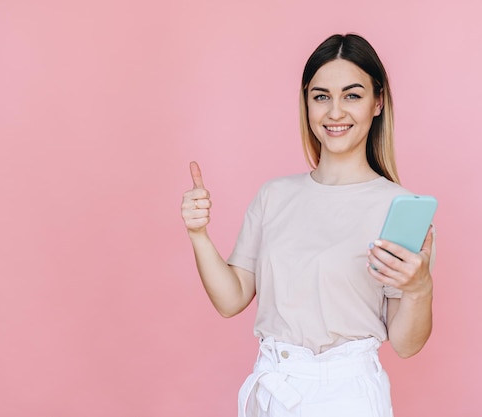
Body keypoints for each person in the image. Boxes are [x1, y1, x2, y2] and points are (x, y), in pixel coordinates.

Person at [181, 33, 435, 417]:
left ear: (377, 102)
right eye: (321, 96)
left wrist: (419, 289)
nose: (335, 112)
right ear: (307, 103)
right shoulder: (274, 196)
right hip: (275, 387)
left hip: (348, 397)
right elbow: (231, 299)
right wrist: (198, 234)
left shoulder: (394, 207)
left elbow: (406, 344)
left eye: (352, 95)